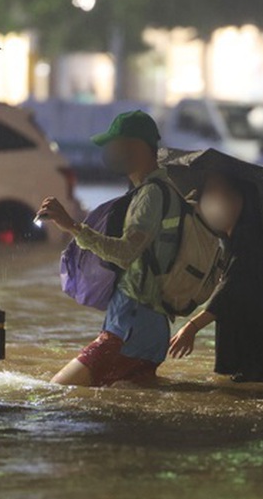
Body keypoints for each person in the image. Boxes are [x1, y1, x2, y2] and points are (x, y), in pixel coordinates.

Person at [38, 111, 180, 387]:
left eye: (115, 145)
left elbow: (127, 252)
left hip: (130, 330)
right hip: (148, 328)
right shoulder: (163, 190)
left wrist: (71, 226)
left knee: (57, 391)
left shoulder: (150, 195)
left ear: (137, 147)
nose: (110, 152)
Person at [168, 172, 263, 382]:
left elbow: (229, 292)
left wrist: (191, 328)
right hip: (257, 354)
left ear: (240, 200)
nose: (211, 203)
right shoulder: (234, 242)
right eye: (208, 196)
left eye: (219, 195)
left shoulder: (250, 245)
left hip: (260, 356)